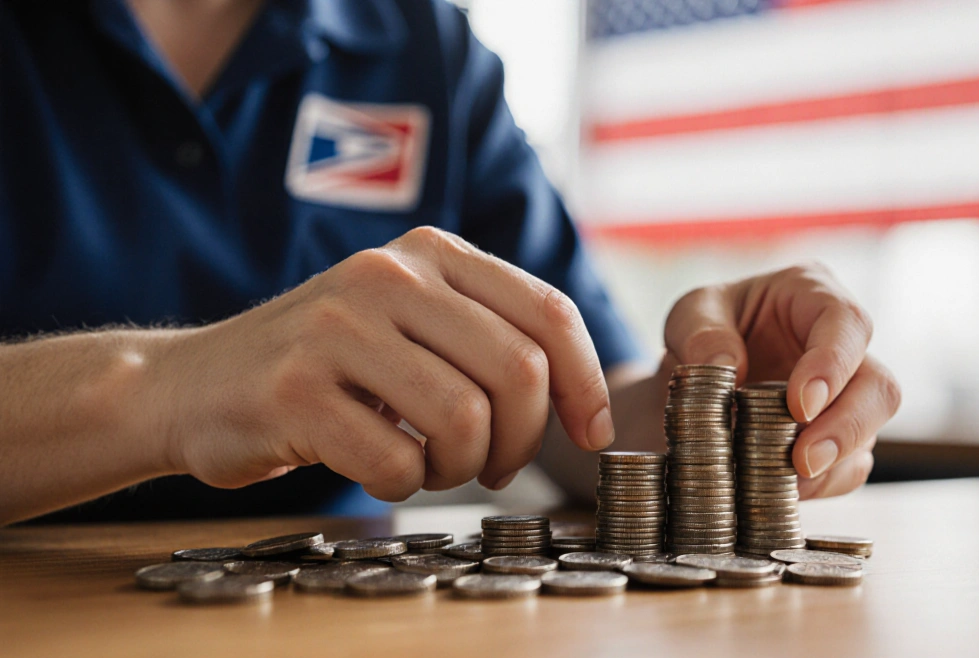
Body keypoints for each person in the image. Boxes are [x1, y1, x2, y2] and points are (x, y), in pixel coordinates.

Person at [0, 0, 900, 526]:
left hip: (346, 631)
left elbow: (576, 402)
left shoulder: (424, 43)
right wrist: (174, 385)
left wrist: (725, 407)